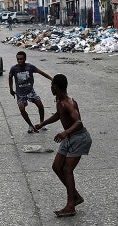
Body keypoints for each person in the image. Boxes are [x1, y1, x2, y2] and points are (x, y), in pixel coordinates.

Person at [35, 74, 92, 217]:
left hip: (78, 138)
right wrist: (43, 123)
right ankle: (76, 197)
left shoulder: (68, 102)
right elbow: (58, 115)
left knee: (67, 169)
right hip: (69, 137)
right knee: (56, 166)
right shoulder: (59, 101)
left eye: (52, 86)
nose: (51, 88)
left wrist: (65, 133)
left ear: (57, 87)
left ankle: (70, 206)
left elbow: (78, 122)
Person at [8, 51, 52, 134]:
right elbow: (10, 78)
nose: (19, 61)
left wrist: (51, 79)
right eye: (18, 59)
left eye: (21, 59)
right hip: (20, 94)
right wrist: (11, 89)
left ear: (25, 59)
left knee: (40, 106)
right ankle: (30, 125)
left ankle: (42, 123)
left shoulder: (30, 67)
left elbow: (41, 72)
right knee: (21, 108)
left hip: (30, 92)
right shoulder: (14, 69)